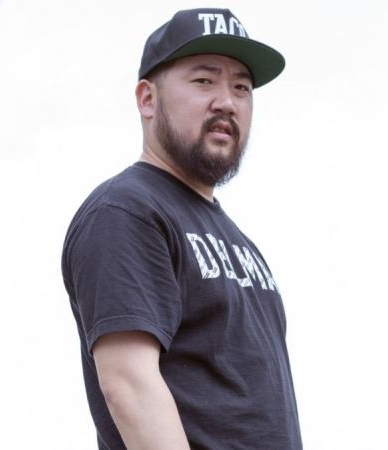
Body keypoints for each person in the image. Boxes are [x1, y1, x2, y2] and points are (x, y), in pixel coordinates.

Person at [61, 8, 302, 449]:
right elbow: (129, 386)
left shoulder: (239, 242)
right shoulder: (126, 211)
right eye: (204, 80)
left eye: (242, 87)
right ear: (147, 99)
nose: (227, 102)